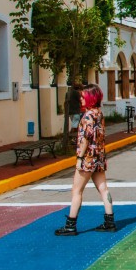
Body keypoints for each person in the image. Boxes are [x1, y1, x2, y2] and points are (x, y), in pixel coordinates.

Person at [55, 83, 116, 236]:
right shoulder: (99, 113)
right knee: (103, 189)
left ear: (90, 98)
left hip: (88, 157)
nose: (81, 99)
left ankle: (70, 224)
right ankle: (109, 221)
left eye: (83, 97)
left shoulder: (87, 116)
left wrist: (79, 158)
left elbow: (85, 140)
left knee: (77, 190)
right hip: (99, 156)